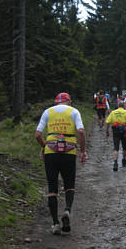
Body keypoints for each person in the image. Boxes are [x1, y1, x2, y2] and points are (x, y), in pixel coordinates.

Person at [35, 92, 87, 235]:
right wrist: (83, 151)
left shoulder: (48, 112)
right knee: (69, 185)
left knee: (52, 188)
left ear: (56, 102)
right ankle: (67, 210)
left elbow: (38, 134)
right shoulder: (74, 111)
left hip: (51, 151)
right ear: (68, 101)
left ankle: (55, 224)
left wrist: (44, 146)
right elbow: (81, 132)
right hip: (69, 151)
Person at [105, 101, 126, 171]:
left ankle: (115, 163)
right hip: (124, 131)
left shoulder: (113, 112)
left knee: (116, 147)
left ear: (118, 106)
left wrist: (107, 131)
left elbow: (108, 122)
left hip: (115, 130)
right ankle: (124, 160)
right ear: (124, 106)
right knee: (124, 147)